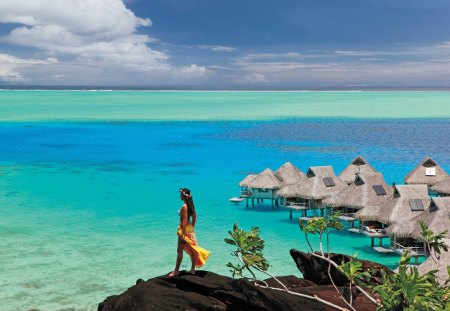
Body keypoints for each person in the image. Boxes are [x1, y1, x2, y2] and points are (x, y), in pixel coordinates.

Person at [169, 188, 210, 276]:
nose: (179, 196)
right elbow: (194, 217)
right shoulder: (191, 205)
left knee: (179, 250)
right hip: (190, 228)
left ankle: (176, 271)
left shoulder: (184, 206)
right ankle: (192, 270)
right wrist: (191, 227)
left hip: (184, 229)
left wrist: (182, 233)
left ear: (184, 196)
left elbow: (184, 220)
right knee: (192, 249)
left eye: (180, 194)